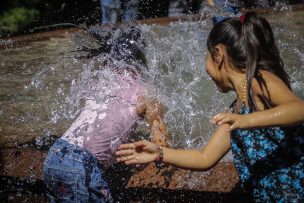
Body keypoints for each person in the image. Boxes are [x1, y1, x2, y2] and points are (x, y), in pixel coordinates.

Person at [116, 12, 304, 202]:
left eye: (207, 55)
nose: (206, 68)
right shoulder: (236, 111)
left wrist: (247, 120)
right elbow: (205, 157)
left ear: (218, 54)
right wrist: (160, 153)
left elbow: (299, 109)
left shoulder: (259, 80)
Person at [43, 27, 167, 202]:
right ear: (141, 58)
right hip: (81, 164)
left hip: (55, 155)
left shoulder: (101, 79)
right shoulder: (145, 91)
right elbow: (160, 140)